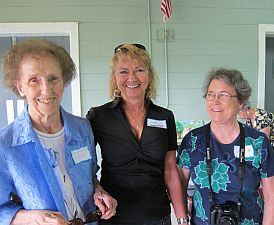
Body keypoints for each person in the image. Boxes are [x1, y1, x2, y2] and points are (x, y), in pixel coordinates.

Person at [0, 39, 117, 225]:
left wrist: (99, 192)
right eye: (34, 80)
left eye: (53, 78)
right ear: (20, 87)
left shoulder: (82, 128)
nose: (46, 89)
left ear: (64, 81)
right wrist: (34, 218)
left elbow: (90, 176)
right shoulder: (6, 144)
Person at [86, 44, 187, 225]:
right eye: (123, 71)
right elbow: (84, 168)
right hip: (114, 216)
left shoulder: (165, 117)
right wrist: (97, 189)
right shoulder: (99, 117)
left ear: (149, 75)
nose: (132, 78)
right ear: (114, 77)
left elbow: (170, 170)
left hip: (157, 216)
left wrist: (181, 218)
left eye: (139, 70)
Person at [177, 68, 274, 225]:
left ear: (240, 102)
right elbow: (180, 185)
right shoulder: (192, 141)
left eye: (223, 95)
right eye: (210, 95)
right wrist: (182, 219)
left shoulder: (257, 142)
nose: (215, 101)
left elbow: (272, 194)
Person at [239, 105, 274, 202]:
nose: (239, 116)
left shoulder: (262, 116)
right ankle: (265, 199)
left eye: (239, 113)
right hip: (272, 146)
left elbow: (263, 142)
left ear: (246, 110)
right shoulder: (249, 120)